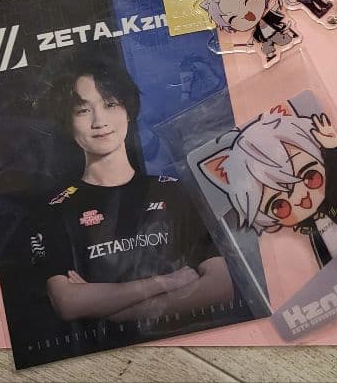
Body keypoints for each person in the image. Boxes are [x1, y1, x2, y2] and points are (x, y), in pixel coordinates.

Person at [30, 57, 234, 327]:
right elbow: (67, 303)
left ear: (128, 110)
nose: (99, 121)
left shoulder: (171, 191)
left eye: (110, 104)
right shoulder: (58, 209)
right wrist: (169, 281)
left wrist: (113, 310)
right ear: (68, 122)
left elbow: (221, 286)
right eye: (83, 110)